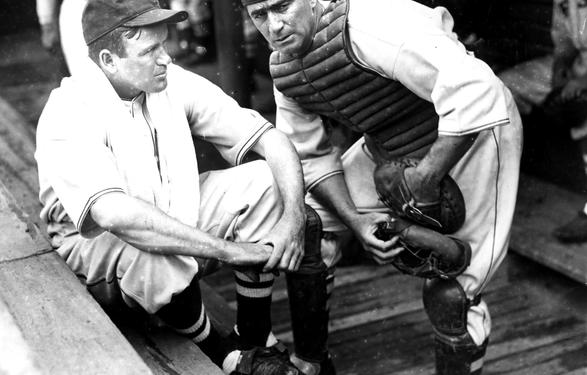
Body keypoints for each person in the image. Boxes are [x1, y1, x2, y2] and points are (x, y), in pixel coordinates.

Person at [34, 0, 336, 373]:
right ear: (109, 61)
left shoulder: (166, 80)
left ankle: (254, 338)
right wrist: (231, 251)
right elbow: (117, 215)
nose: (167, 59)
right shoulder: (69, 109)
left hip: (164, 212)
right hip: (94, 255)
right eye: (150, 51)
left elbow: (270, 140)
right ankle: (219, 350)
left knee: (264, 181)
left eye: (164, 44)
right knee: (149, 244)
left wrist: (292, 218)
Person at [243, 0, 523, 374]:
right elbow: (309, 156)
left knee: (453, 296)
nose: (274, 25)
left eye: (282, 6)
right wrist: (355, 221)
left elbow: (477, 90)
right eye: (259, 14)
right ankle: (313, 362)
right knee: (313, 223)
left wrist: (426, 178)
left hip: (476, 135)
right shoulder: (286, 67)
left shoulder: (371, 21)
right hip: (392, 144)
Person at [500, 0, 587, 243]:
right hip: (576, 64)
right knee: (502, 88)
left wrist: (580, 83)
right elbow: (565, 40)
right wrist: (561, 69)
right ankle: (494, 190)